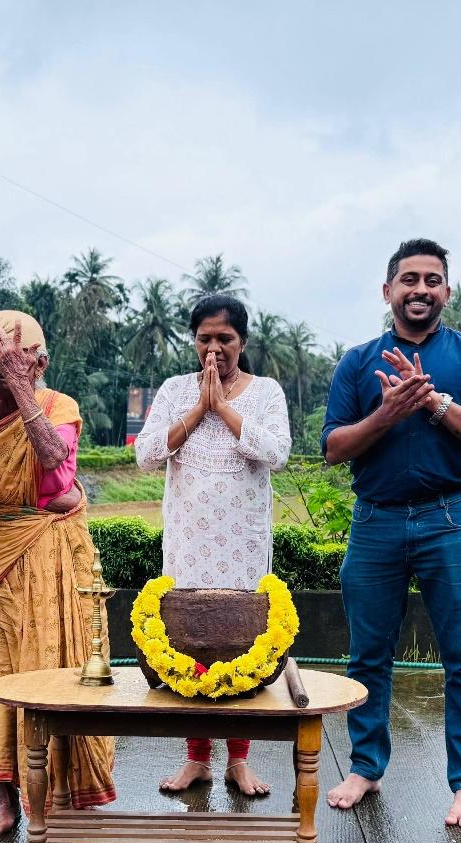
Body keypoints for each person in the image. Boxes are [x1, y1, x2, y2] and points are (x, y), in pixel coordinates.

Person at [321, 238, 461, 828]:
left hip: (451, 517)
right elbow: (332, 447)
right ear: (388, 292)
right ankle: (366, 766)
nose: (421, 290)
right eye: (410, 279)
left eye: (433, 280)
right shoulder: (358, 362)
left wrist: (431, 402)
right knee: (368, 655)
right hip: (375, 520)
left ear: (447, 292)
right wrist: (387, 413)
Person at [0, 310, 116, 837]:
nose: (4, 367)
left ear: (41, 361)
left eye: (16, 357)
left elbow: (56, 465)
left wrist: (22, 391)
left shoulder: (60, 407)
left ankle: (66, 795)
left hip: (54, 554)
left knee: (58, 667)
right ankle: (7, 798)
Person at [133, 294, 292, 797]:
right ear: (193, 340)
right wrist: (198, 407)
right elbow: (146, 456)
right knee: (187, 641)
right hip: (188, 543)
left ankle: (239, 761)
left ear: (242, 341)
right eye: (205, 338)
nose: (214, 348)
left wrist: (223, 408)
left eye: (225, 338)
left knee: (242, 642)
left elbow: (278, 452)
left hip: (242, 546)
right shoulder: (175, 390)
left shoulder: (266, 392)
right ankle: (197, 759)